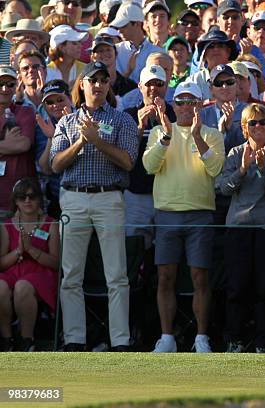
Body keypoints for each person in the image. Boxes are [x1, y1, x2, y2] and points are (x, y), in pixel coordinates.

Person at [50, 61, 139, 352]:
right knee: (71, 274)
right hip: (73, 198)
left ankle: (120, 341)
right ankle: (75, 339)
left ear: (108, 86)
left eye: (103, 80)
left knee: (117, 275)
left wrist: (97, 141)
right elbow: (55, 164)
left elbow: (127, 162)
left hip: (109, 198)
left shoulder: (123, 119)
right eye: (93, 80)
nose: (98, 85)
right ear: (82, 85)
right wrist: (80, 142)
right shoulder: (66, 121)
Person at [142, 81, 225, 353]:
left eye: (191, 102)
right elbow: (149, 165)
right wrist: (166, 136)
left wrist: (198, 136)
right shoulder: (158, 131)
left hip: (200, 213)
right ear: (173, 105)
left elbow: (214, 169)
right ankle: (167, 338)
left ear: (200, 105)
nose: (186, 107)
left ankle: (201, 338)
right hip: (166, 213)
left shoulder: (212, 133)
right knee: (165, 276)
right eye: (180, 102)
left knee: (200, 277)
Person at [218, 103, 265, 353]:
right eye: (253, 123)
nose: (259, 127)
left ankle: (263, 342)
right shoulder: (235, 153)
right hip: (239, 228)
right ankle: (234, 339)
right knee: (237, 286)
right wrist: (244, 169)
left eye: (263, 122)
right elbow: (223, 188)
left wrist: (262, 168)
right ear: (244, 128)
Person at [0, 178, 59, 352]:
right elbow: (2, 264)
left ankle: (27, 339)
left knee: (22, 287)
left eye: (32, 196)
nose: (27, 200)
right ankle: (6, 339)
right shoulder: (6, 226)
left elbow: (56, 263)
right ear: (15, 201)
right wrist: (18, 251)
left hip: (41, 274)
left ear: (40, 199)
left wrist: (31, 250)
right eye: (21, 197)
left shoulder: (51, 223)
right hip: (13, 271)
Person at [123, 65, 175, 250]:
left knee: (167, 250)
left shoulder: (176, 114)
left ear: (166, 86)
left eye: (159, 83)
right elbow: (125, 156)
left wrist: (165, 123)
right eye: (149, 84)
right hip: (137, 193)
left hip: (168, 195)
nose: (154, 88)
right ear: (140, 86)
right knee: (135, 247)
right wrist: (139, 128)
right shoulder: (128, 115)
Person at [0, 65, 36, 218]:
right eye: (0, 84)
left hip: (19, 202)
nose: (4, 89)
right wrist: (7, 144)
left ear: (16, 86)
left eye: (10, 84)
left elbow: (23, 145)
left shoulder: (25, 112)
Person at [34, 80, 74, 219]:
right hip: (57, 195)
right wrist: (51, 138)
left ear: (70, 98)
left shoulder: (84, 119)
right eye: (50, 103)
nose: (55, 105)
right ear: (44, 106)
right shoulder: (42, 126)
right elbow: (45, 168)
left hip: (84, 193)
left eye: (60, 99)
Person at [110, 2, 164, 83]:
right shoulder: (114, 51)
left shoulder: (158, 53)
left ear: (137, 24)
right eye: (118, 27)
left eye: (124, 26)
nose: (119, 30)